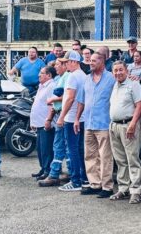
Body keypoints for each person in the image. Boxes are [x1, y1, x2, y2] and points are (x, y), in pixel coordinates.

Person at [76, 52, 116, 198]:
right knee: (90, 155)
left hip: (104, 123)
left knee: (105, 157)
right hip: (88, 123)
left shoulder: (111, 78)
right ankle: (95, 184)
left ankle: (107, 187)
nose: (90, 63)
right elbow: (81, 100)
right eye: (90, 61)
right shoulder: (87, 79)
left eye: (94, 61)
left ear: (102, 62)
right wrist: (77, 119)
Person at [108, 61, 141, 203]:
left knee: (132, 159)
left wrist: (133, 124)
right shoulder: (115, 86)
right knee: (120, 160)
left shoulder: (133, 85)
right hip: (115, 126)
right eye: (115, 70)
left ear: (126, 71)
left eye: (120, 70)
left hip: (128, 125)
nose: (118, 73)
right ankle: (123, 189)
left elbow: (140, 105)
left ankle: (135, 191)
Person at [55, 51, 88, 192]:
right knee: (79, 149)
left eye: (67, 62)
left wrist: (62, 116)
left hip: (71, 118)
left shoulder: (73, 77)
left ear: (74, 62)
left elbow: (69, 98)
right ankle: (84, 178)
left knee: (72, 150)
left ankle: (75, 181)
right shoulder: (84, 76)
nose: (65, 64)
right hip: (81, 118)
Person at [39, 55, 71, 186]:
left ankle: (63, 173)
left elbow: (69, 96)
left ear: (65, 65)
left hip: (65, 115)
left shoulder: (68, 77)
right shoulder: (60, 78)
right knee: (59, 146)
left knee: (63, 146)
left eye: (58, 64)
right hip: (59, 114)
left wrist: (53, 100)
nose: (55, 67)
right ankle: (57, 173)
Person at [31, 66, 57, 179]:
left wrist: (49, 120)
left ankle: (48, 170)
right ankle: (43, 168)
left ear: (49, 75)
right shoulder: (42, 86)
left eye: (41, 73)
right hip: (39, 122)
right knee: (40, 148)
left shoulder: (51, 86)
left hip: (46, 122)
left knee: (47, 148)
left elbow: (52, 105)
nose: (39, 75)